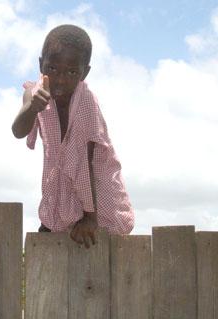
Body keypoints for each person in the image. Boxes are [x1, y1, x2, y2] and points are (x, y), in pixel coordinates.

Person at [12, 25, 134, 247]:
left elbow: (86, 161)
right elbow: (18, 131)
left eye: (71, 72)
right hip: (59, 182)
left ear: (84, 73)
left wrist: (90, 217)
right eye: (52, 68)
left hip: (96, 185)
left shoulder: (85, 101)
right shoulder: (34, 93)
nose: (60, 79)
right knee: (53, 239)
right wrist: (32, 108)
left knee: (100, 243)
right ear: (41, 65)